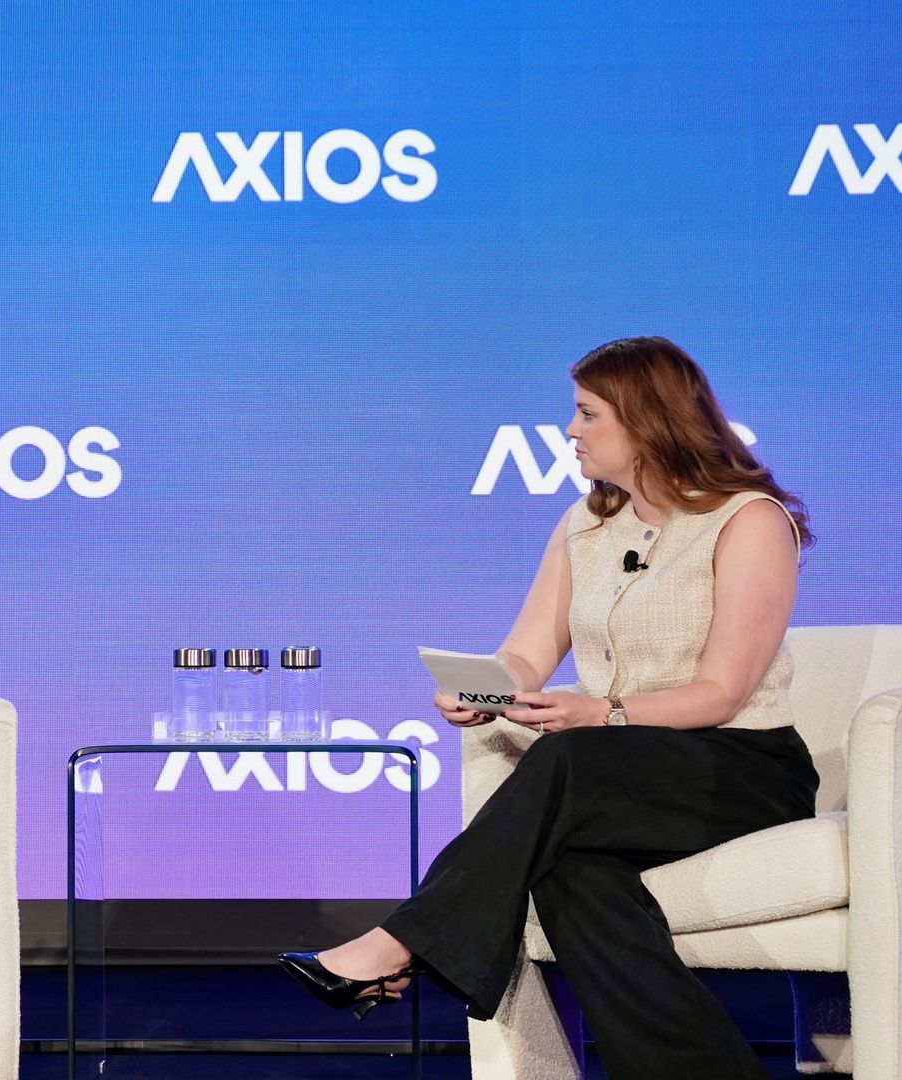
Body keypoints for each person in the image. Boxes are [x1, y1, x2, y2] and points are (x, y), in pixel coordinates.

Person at [279, 336, 818, 1080]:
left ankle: (403, 941)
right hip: (618, 775)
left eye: (587, 414)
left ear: (647, 420)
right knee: (572, 877)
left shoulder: (749, 521)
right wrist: (484, 692)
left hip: (741, 773)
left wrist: (600, 714)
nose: (570, 431)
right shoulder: (586, 525)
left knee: (569, 755)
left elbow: (723, 692)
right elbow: (529, 651)